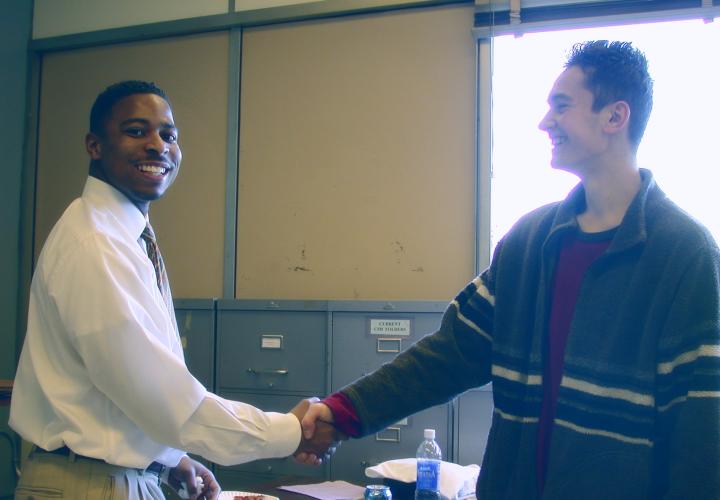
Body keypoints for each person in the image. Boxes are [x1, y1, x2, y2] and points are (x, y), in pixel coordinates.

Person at [300, 41, 720, 498]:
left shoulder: (684, 255)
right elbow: (448, 356)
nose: (545, 123)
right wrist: (343, 412)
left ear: (615, 117)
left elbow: (702, 432)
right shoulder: (530, 242)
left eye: (561, 107)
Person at [10, 80, 338, 500]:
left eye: (169, 135)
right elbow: (165, 400)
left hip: (112, 477)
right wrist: (291, 432)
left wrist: (168, 459)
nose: (157, 146)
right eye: (135, 131)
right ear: (94, 145)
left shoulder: (124, 234)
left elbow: (119, 392)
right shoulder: (96, 244)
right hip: (86, 485)